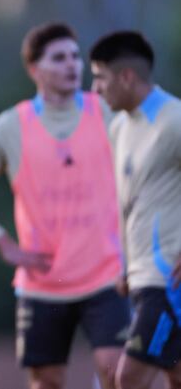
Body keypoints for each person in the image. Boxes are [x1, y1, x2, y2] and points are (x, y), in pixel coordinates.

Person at [0, 22, 129, 389]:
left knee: (116, 369)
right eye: (59, 58)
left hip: (107, 273)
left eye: (76, 57)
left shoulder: (108, 113)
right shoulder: (10, 127)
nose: (72, 65)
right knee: (46, 380)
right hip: (43, 281)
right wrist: (1, 243)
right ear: (34, 69)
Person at [90, 31, 181, 389]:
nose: (95, 89)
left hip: (168, 281)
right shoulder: (119, 128)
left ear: (126, 76)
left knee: (126, 378)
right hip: (142, 279)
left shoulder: (173, 120)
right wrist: (126, 266)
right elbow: (130, 202)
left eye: (100, 77)